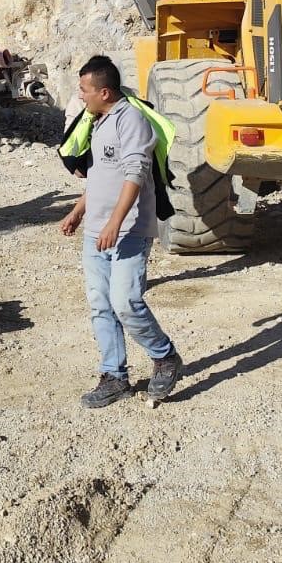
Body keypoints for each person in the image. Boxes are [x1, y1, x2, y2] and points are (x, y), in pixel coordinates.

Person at [57, 55, 182, 408]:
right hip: (96, 231)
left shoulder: (132, 121)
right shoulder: (97, 122)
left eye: (84, 89)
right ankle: (114, 376)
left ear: (105, 92)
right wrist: (78, 211)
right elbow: (100, 176)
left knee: (125, 302)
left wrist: (114, 222)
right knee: (101, 305)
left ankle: (165, 356)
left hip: (129, 229)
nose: (80, 95)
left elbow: (135, 173)